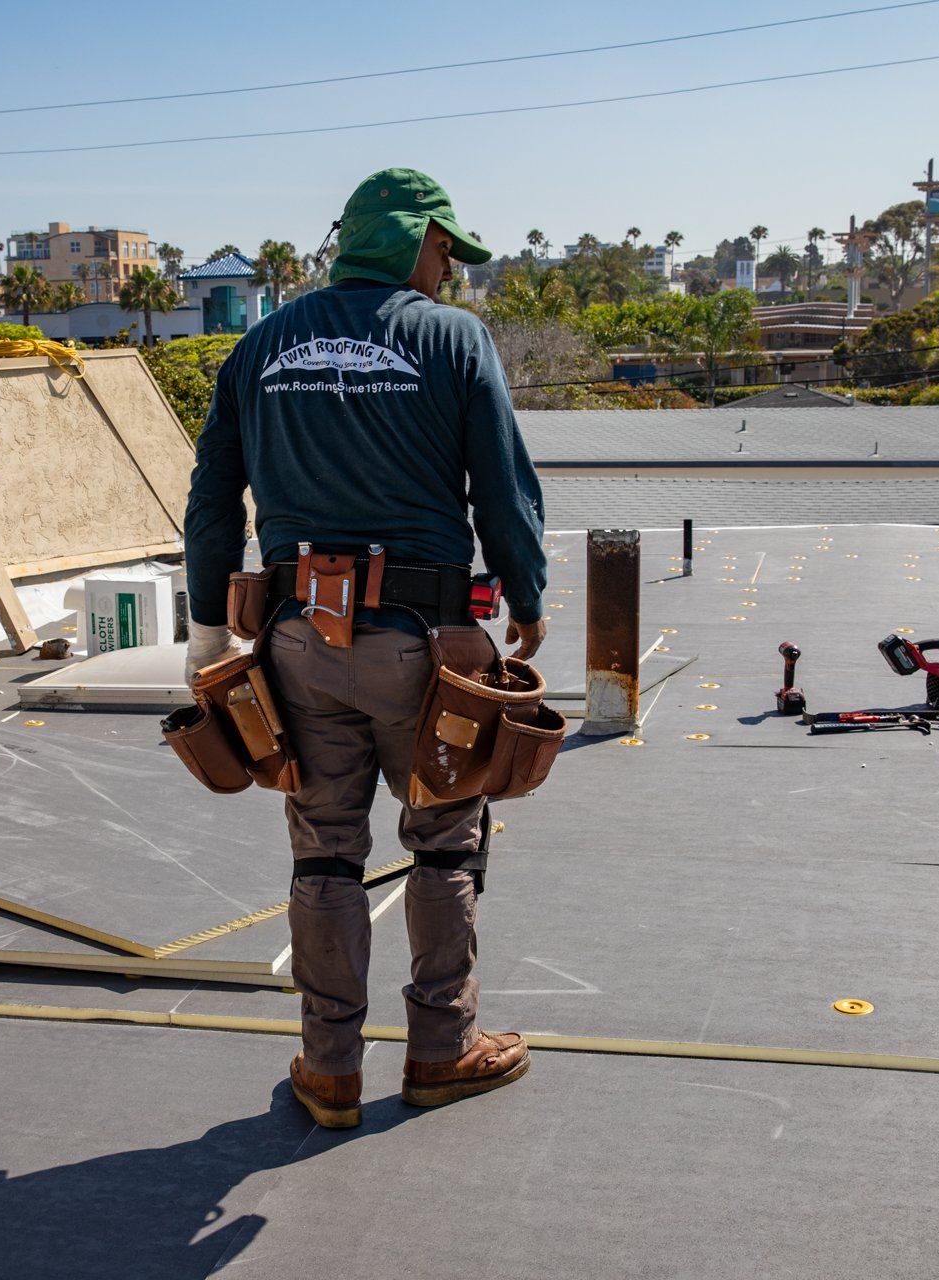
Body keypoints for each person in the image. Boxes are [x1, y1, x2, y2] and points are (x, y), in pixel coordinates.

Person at [182, 168, 547, 1128]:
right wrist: (530, 594)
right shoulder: (452, 338)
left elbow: (213, 497)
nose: (451, 271)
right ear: (414, 239)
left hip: (298, 642)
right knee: (443, 844)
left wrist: (207, 633)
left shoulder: (261, 344)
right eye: (445, 251)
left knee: (325, 856)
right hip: (427, 648)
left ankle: (330, 1068)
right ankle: (441, 1050)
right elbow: (502, 486)